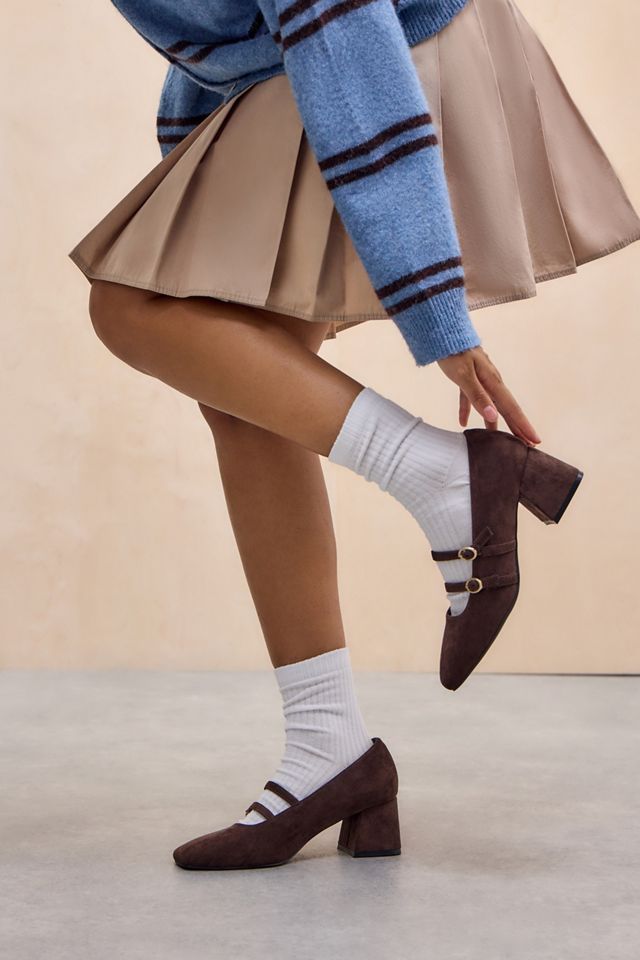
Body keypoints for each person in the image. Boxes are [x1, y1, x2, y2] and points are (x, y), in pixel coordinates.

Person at [68, 0, 638, 870]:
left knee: (131, 308)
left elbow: (343, 25)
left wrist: (434, 309)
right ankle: (329, 748)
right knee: (245, 395)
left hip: (377, 57)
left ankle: (446, 479)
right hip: (310, 65)